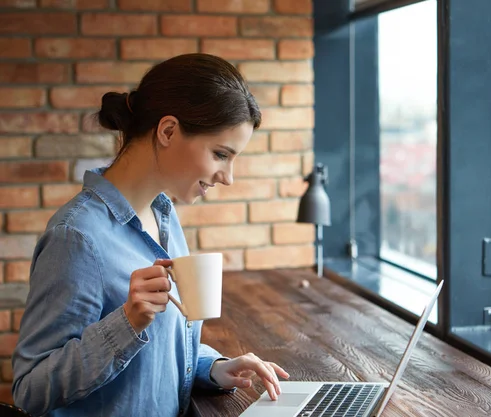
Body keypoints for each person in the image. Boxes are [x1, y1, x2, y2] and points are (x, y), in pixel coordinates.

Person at [11, 53, 289, 417]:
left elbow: (158, 348)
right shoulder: (76, 237)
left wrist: (215, 367)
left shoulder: (164, 215)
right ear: (168, 131)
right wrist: (126, 322)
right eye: (221, 154)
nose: (228, 177)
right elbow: (30, 390)